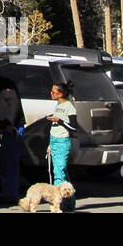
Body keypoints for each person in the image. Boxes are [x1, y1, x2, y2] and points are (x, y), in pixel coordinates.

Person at [0, 68, 24, 206]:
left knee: (10, 162)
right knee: (6, 163)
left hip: (13, 128)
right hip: (8, 128)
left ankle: (10, 195)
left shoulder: (5, 85)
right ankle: (8, 193)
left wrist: (10, 125)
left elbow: (14, 105)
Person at [47, 81, 77, 209]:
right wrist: (49, 144)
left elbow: (74, 127)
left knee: (59, 174)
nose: (51, 93)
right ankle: (70, 203)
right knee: (62, 173)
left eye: (53, 92)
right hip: (54, 140)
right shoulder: (58, 105)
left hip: (62, 142)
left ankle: (59, 205)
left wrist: (59, 121)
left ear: (61, 93)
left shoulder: (69, 106)